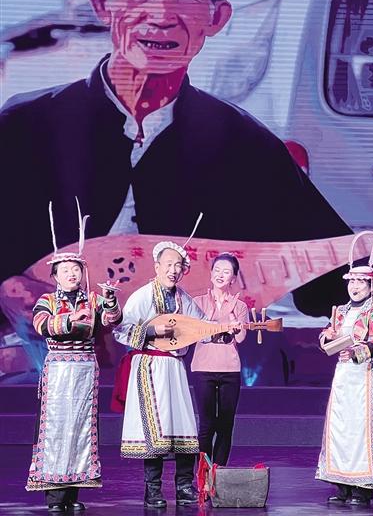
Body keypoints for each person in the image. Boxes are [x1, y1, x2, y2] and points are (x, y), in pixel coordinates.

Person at [0, 0, 373, 380]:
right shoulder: (24, 126)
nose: (161, 15)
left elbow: (322, 280)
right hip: (39, 372)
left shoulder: (247, 147)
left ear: (216, 17)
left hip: (187, 375)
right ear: (103, 5)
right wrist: (11, 293)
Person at [26, 202, 122, 513]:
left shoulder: (92, 298)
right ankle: (55, 496)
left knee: (81, 428)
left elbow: (112, 321)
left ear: (82, 273)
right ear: (55, 275)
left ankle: (73, 492)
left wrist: (110, 301)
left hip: (84, 370)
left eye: (76, 269)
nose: (71, 274)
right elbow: (41, 324)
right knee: (56, 428)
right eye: (65, 270)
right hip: (58, 370)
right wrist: (70, 320)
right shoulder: (47, 299)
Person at [112, 239, 206, 508]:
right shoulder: (142, 296)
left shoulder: (184, 299)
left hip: (175, 368)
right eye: (168, 264)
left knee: (183, 426)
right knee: (155, 429)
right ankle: (152, 490)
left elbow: (201, 327)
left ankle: (184, 487)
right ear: (157, 266)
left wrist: (223, 330)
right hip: (149, 367)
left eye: (178, 265)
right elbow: (120, 330)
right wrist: (152, 331)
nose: (173, 270)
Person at [316, 232, 373, 507]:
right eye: (352, 281)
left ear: (371, 286)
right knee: (341, 429)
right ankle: (342, 485)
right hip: (343, 377)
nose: (354, 286)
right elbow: (326, 334)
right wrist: (328, 339)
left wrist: (354, 352)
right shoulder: (340, 311)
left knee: (361, 431)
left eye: (360, 282)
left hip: (365, 377)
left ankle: (363, 489)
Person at [191, 253, 248, 466]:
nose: (220, 275)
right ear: (211, 274)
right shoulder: (197, 303)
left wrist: (232, 313)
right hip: (203, 368)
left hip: (230, 369)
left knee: (225, 424)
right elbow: (195, 333)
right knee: (206, 424)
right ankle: (204, 473)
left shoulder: (240, 306)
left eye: (226, 272)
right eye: (217, 270)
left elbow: (240, 338)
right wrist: (219, 324)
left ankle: (219, 471)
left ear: (233, 278)